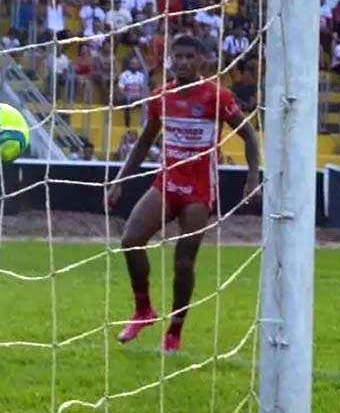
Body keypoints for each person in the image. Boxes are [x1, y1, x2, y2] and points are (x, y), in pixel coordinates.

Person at [106, 35, 261, 353]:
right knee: (130, 239)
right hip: (167, 183)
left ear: (201, 60)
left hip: (199, 191)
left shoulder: (217, 96)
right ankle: (144, 310)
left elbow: (249, 135)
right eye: (177, 56)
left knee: (183, 262)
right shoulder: (161, 96)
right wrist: (119, 180)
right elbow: (144, 142)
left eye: (190, 56)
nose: (183, 62)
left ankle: (174, 331)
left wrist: (252, 178)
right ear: (169, 60)